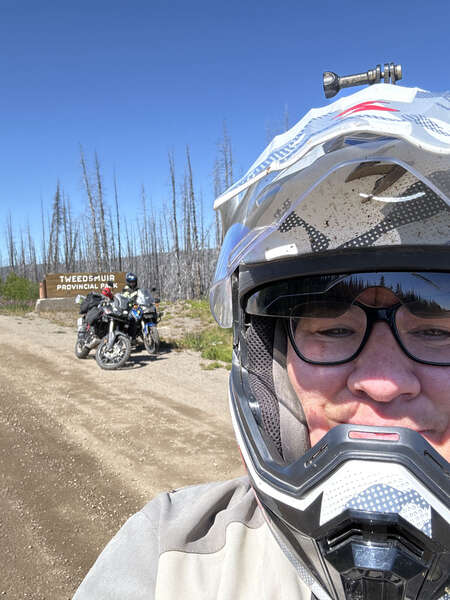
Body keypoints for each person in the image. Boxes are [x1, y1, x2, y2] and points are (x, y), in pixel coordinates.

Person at [73, 81, 450, 599]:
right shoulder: (171, 558)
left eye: (436, 331)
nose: (382, 383)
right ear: (268, 361)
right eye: (333, 329)